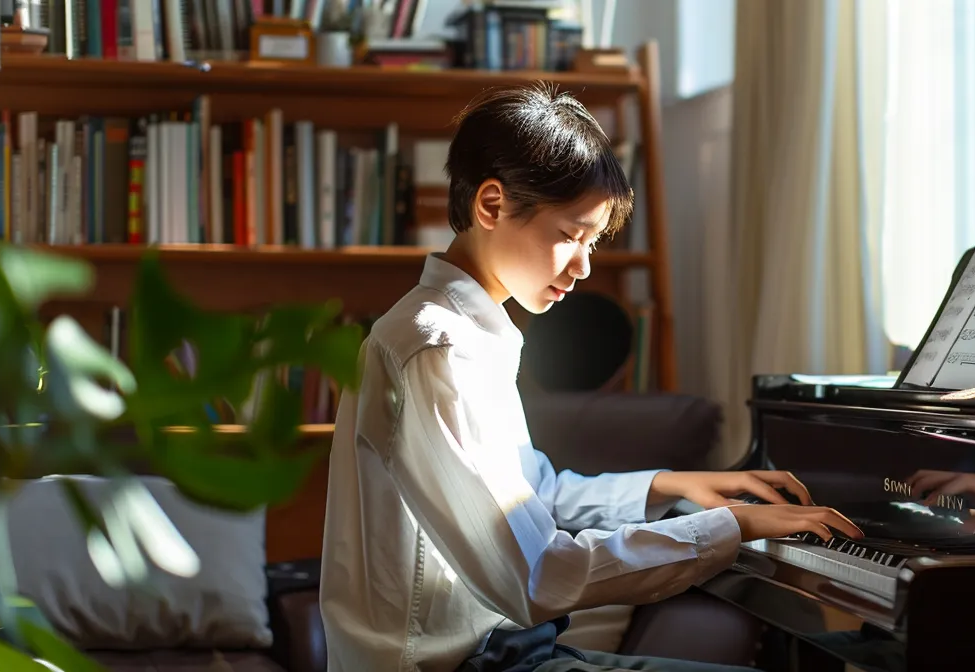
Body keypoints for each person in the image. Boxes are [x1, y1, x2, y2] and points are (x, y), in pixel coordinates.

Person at [318, 83, 863, 672]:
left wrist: (673, 487)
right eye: (571, 236)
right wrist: (728, 527)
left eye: (593, 242)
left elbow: (536, 496)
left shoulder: (467, 333)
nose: (583, 267)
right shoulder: (437, 347)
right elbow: (535, 577)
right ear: (492, 206)